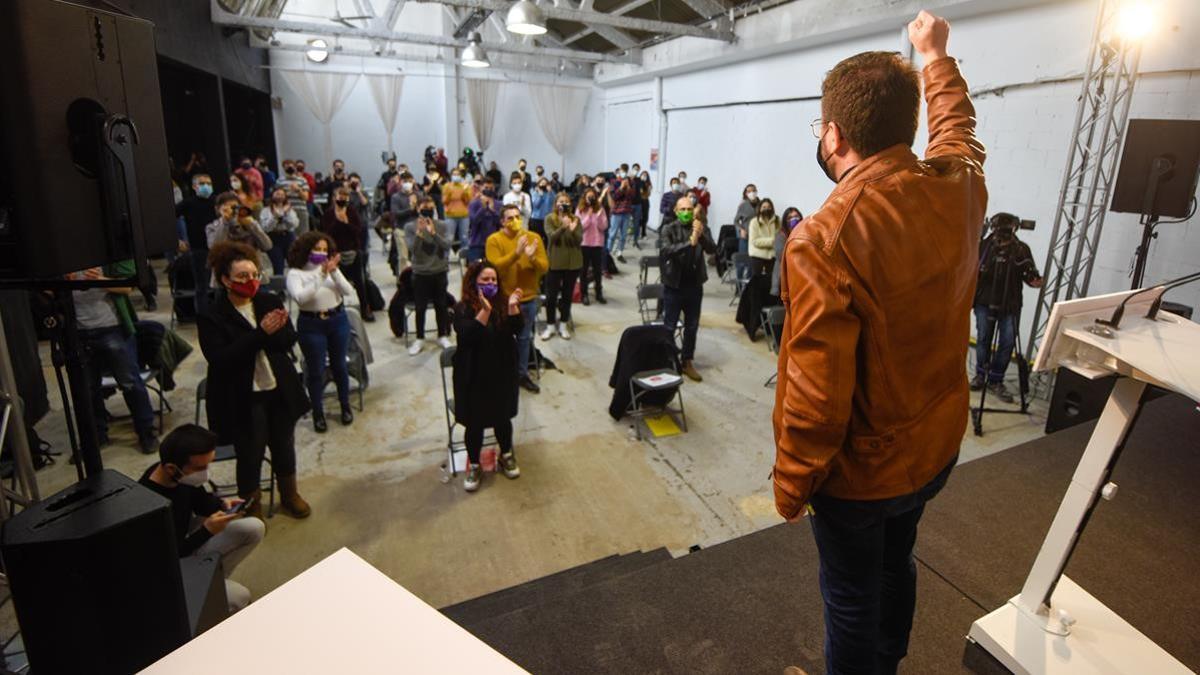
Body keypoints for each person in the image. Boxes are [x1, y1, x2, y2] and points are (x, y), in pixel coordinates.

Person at [772, 13, 986, 675]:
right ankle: (888, 663)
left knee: (850, 597)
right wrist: (935, 56)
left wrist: (792, 483)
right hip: (934, 449)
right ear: (906, 125)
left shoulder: (824, 237)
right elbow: (958, 131)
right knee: (897, 563)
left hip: (862, 476)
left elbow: (816, 392)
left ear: (833, 134)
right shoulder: (959, 186)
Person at [198, 241, 311, 519]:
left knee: (284, 445)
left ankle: (289, 494)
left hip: (278, 387)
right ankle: (252, 507)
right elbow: (222, 358)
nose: (251, 282)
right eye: (242, 277)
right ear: (225, 280)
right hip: (243, 396)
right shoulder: (212, 314)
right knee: (250, 452)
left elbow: (288, 340)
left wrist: (278, 332)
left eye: (254, 275)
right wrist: (261, 334)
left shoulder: (268, 300)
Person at [139, 423, 265, 613]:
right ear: (171, 468)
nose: (205, 473)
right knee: (241, 597)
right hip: (168, 568)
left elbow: (199, 501)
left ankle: (214, 580)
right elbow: (170, 556)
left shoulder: (179, 476)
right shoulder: (149, 505)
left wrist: (221, 505)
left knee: (254, 528)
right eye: (200, 467)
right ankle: (204, 592)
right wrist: (207, 531)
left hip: (187, 542)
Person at [451, 261, 524, 492]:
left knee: (503, 418)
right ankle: (474, 464)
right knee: (475, 423)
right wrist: (485, 311)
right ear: (474, 283)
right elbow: (468, 336)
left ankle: (507, 454)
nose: (491, 284)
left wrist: (513, 308)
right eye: (485, 280)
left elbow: (517, 330)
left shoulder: (503, 303)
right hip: (473, 374)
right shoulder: (462, 308)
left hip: (501, 370)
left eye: (493, 280)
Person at [70, 264, 158, 454]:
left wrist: (101, 281)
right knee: (88, 388)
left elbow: (127, 287)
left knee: (130, 382)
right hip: (77, 330)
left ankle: (146, 431)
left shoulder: (103, 255)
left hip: (112, 327)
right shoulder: (58, 260)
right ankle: (96, 436)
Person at [286, 232, 356, 433]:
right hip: (311, 324)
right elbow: (301, 298)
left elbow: (347, 291)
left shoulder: (330, 269)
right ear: (306, 249)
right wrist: (322, 275)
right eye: (317, 249)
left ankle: (345, 406)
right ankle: (318, 412)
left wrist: (333, 272)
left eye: (325, 249)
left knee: (340, 366)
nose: (321, 253)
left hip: (337, 320)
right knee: (316, 370)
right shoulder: (295, 274)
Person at [971, 213, 1043, 403]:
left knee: (1007, 342)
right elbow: (972, 272)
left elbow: (1031, 277)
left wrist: (1035, 280)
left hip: (1010, 305)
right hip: (984, 302)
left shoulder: (1021, 250)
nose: (1002, 233)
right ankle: (980, 375)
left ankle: (995, 380)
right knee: (983, 339)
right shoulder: (984, 247)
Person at [486, 204, 548, 394]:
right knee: (500, 337)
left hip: (528, 299)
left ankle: (520, 374)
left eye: (517, 217)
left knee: (523, 338)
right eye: (510, 218)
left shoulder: (533, 238)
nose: (515, 221)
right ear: (502, 221)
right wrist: (516, 254)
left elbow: (544, 267)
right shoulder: (494, 240)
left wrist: (532, 259)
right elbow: (495, 268)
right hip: (503, 299)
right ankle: (500, 372)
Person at [659, 196, 716, 382]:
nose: (686, 212)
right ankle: (667, 360)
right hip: (674, 285)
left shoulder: (699, 227)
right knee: (669, 326)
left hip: (694, 285)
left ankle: (687, 361)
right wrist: (690, 242)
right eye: (682, 209)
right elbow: (667, 250)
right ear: (676, 211)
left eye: (689, 209)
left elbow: (712, 249)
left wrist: (701, 236)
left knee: (692, 326)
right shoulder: (668, 228)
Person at [404, 197, 454, 356]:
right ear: (418, 209)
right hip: (420, 273)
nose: (427, 211)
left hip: (439, 271)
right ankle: (419, 338)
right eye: (424, 208)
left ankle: (442, 335)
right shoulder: (410, 227)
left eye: (430, 208)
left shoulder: (442, 225)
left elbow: (447, 246)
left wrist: (433, 234)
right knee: (420, 307)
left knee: (441, 305)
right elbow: (413, 250)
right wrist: (419, 234)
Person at [321, 185, 373, 322]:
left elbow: (357, 231)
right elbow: (326, 234)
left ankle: (365, 308)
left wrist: (346, 222)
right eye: (340, 198)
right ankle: (340, 310)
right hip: (336, 253)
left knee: (360, 282)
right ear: (334, 199)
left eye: (345, 199)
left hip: (353, 251)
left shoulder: (352, 212)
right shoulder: (328, 214)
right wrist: (338, 222)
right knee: (338, 283)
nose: (342, 201)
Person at [542, 192, 583, 341]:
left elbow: (579, 241)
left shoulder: (576, 219)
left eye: (566, 202)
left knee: (567, 296)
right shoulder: (549, 219)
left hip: (572, 263)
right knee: (551, 297)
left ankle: (563, 325)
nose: (563, 204)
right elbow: (551, 237)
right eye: (560, 202)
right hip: (555, 262)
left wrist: (572, 231)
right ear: (556, 204)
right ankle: (550, 325)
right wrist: (563, 227)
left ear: (570, 205)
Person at [177, 173, 217, 315]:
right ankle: (203, 317)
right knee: (202, 287)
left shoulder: (217, 202)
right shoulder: (188, 203)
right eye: (202, 183)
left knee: (221, 286)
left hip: (219, 249)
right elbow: (169, 218)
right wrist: (177, 240)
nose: (206, 186)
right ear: (195, 186)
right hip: (199, 250)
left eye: (209, 183)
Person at [206, 193, 272, 275]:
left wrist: (251, 225)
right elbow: (214, 247)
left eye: (235, 207)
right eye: (227, 207)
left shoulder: (249, 223)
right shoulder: (212, 227)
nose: (232, 211)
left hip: (253, 273)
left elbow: (267, 245)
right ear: (218, 209)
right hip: (225, 274)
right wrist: (225, 222)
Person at [576, 187, 609, 306]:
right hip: (584, 244)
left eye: (593, 197)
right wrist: (589, 215)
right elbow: (580, 227)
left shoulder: (600, 209)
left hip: (597, 244)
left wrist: (599, 215)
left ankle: (598, 293)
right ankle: (584, 294)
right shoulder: (580, 210)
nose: (591, 199)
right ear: (584, 198)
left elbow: (603, 227)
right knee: (583, 271)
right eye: (588, 197)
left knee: (597, 270)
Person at [260, 187, 299, 276]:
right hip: (273, 238)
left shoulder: (290, 209)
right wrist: (275, 216)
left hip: (288, 236)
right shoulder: (265, 210)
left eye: (282, 194)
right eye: (277, 194)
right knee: (278, 265)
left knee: (294, 263)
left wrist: (284, 213)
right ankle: (279, 287)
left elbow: (294, 224)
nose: (280, 196)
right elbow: (266, 227)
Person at [466, 177, 501, 263]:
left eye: (491, 188)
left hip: (493, 243)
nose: (488, 190)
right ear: (481, 188)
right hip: (477, 244)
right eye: (486, 188)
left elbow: (501, 223)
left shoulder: (499, 204)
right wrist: (483, 208)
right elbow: (474, 222)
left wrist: (493, 211)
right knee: (475, 272)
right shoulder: (474, 203)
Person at [772, 207, 803, 298]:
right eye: (790, 218)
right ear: (785, 221)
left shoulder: (805, 233)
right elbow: (782, 256)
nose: (794, 219)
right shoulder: (780, 236)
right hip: (784, 276)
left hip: (800, 273)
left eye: (796, 216)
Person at [607, 169, 636, 263]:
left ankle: (619, 252)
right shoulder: (613, 183)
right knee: (612, 234)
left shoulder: (631, 183)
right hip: (616, 213)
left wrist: (627, 187)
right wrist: (621, 187)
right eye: (620, 172)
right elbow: (614, 197)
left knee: (623, 235)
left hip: (626, 212)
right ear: (617, 174)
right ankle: (608, 252)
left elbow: (632, 197)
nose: (623, 174)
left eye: (624, 172)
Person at [442, 167, 473, 253]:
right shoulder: (447, 186)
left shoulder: (466, 186)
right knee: (449, 238)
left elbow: (468, 201)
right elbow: (444, 201)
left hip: (464, 216)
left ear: (461, 176)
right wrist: (449, 193)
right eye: (454, 174)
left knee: (464, 238)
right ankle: (445, 260)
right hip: (450, 216)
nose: (456, 176)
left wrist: (465, 192)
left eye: (458, 174)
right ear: (451, 176)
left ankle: (465, 260)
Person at [747, 198, 780, 278]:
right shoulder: (754, 222)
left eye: (769, 207)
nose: (766, 209)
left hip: (772, 256)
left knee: (771, 280)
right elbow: (754, 241)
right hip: (757, 255)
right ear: (760, 208)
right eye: (764, 207)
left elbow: (779, 236)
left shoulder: (777, 220)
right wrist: (772, 241)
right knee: (757, 281)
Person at [276, 160, 311, 235]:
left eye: (291, 165)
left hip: (301, 210)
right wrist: (286, 193)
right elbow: (276, 198)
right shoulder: (279, 181)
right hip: (286, 211)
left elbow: (306, 197)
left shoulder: (302, 180)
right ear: (284, 168)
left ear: (295, 167)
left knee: (303, 235)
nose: (290, 167)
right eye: (287, 165)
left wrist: (298, 190)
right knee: (289, 235)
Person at [734, 184, 760, 278]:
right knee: (742, 261)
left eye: (753, 190)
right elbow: (736, 221)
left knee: (753, 262)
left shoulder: (761, 204)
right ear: (746, 193)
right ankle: (739, 286)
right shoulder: (743, 205)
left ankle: (749, 284)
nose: (752, 193)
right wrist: (741, 230)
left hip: (757, 238)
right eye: (749, 191)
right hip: (745, 237)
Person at [529, 176, 554, 245]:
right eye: (542, 183)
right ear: (538, 184)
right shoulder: (535, 192)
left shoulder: (551, 193)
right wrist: (540, 195)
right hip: (536, 219)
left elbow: (552, 203)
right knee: (536, 238)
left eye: (545, 184)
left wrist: (550, 193)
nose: (543, 185)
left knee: (547, 239)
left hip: (547, 218)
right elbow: (535, 205)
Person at [637, 169, 653, 243]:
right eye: (643, 175)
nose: (644, 176)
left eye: (645, 175)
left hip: (645, 201)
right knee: (638, 218)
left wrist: (647, 189)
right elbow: (639, 192)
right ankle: (637, 233)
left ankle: (644, 233)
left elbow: (647, 194)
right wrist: (641, 185)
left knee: (645, 218)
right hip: (638, 201)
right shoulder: (638, 182)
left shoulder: (648, 184)